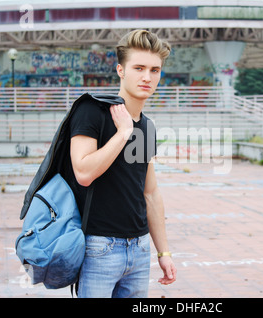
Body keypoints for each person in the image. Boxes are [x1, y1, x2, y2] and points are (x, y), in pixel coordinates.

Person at [67, 30, 177, 298]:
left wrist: (163, 251)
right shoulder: (92, 110)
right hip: (99, 247)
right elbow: (83, 172)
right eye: (139, 68)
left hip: (139, 250)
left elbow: (150, 193)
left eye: (155, 70)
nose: (147, 77)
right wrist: (123, 134)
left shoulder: (148, 126)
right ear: (120, 70)